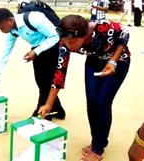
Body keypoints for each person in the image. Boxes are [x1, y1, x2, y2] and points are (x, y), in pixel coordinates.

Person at [38, 15, 130, 161]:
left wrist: (113, 61)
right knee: (92, 103)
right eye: (66, 42)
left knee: (102, 104)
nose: (69, 46)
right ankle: (97, 141)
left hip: (118, 62)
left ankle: (98, 149)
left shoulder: (102, 27)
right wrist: (49, 103)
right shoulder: (65, 42)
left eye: (73, 42)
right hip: (94, 62)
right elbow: (60, 72)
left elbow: (125, 34)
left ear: (85, 35)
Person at [0, 8, 65, 120]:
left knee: (46, 83)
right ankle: (58, 110)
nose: (2, 31)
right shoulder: (12, 31)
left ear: (10, 19)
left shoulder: (34, 19)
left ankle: (40, 115)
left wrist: (36, 51)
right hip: (38, 50)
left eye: (2, 28)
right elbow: (5, 53)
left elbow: (56, 36)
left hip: (54, 47)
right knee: (41, 82)